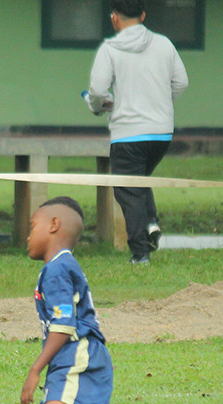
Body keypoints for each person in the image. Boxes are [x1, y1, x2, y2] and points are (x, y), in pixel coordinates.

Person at [19, 196, 171, 404]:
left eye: (32, 227)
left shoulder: (57, 269)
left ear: (54, 225)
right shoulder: (60, 266)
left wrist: (35, 369)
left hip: (76, 352)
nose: (28, 236)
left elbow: (64, 328)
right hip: (76, 358)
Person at [87, 0, 188, 264]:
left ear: (114, 19)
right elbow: (181, 82)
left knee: (127, 190)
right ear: (143, 15)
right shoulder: (164, 44)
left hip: (128, 133)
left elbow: (97, 92)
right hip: (162, 133)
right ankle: (151, 223)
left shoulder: (109, 49)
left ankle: (140, 254)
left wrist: (100, 106)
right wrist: (159, 102)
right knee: (139, 178)